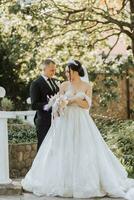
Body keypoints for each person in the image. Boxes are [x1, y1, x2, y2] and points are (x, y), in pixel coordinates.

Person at [22, 60, 134, 199]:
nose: (66, 73)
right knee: (62, 149)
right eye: (66, 72)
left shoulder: (87, 86)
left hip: (81, 120)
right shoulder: (63, 85)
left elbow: (86, 106)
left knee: (83, 149)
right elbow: (59, 102)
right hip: (65, 120)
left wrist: (73, 100)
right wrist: (60, 104)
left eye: (68, 71)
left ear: (75, 71)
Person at [30, 58, 59, 151]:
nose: (54, 72)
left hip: (56, 120)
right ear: (44, 68)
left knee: (54, 148)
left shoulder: (55, 81)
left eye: (55, 70)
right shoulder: (36, 83)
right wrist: (49, 104)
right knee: (43, 148)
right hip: (43, 121)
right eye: (52, 70)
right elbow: (34, 105)